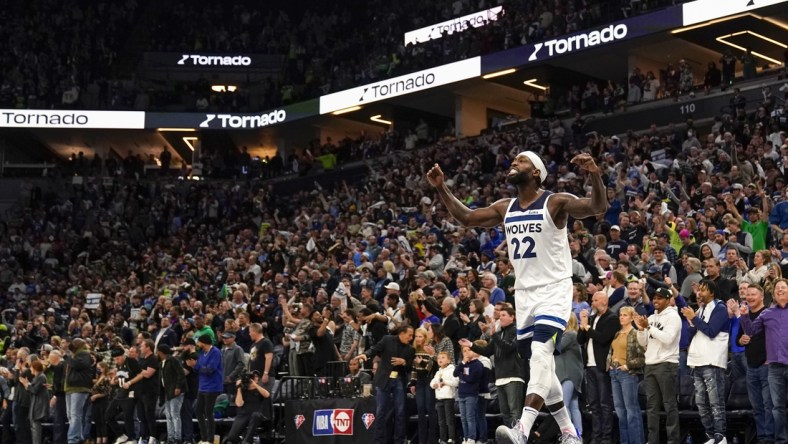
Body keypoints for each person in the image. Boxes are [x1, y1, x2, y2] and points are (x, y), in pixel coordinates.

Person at [428, 151, 607, 444]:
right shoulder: (505, 207)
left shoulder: (555, 201)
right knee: (541, 365)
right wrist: (441, 188)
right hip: (524, 294)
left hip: (553, 289)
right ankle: (568, 432)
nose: (513, 164)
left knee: (540, 354)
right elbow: (467, 217)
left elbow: (596, 206)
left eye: (520, 161)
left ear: (536, 172)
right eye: (512, 161)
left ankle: (521, 429)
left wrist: (595, 174)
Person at [731, 278, 788, 444]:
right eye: (777, 289)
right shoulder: (767, 314)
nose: (780, 290)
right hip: (771, 367)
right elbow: (750, 331)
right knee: (775, 408)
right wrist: (743, 316)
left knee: (773, 407)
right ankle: (777, 440)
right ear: (773, 293)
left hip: (771, 365)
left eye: (783, 288)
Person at [683, 279, 731, 444]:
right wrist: (691, 323)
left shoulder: (720, 308)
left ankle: (721, 435)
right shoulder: (701, 309)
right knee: (701, 403)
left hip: (712, 360)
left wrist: (694, 318)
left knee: (715, 402)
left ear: (712, 292)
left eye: (703, 290)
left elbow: (711, 331)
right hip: (697, 361)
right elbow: (694, 333)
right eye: (699, 290)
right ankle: (710, 435)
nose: (699, 293)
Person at [462, 305, 524, 429]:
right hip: (500, 377)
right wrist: (471, 344)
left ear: (513, 317)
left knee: (514, 412)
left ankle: (519, 438)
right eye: (500, 316)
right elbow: (487, 351)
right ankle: (510, 438)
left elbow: (508, 348)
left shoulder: (516, 331)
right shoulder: (499, 333)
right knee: (505, 412)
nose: (500, 318)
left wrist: (494, 335)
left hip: (513, 377)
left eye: (504, 315)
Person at [634, 287, 681, 444]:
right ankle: (652, 440)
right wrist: (641, 330)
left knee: (669, 405)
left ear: (668, 300)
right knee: (651, 407)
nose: (656, 300)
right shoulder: (652, 317)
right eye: (654, 297)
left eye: (660, 298)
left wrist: (648, 327)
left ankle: (673, 440)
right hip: (650, 363)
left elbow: (668, 339)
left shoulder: (673, 317)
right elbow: (643, 343)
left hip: (667, 363)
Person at [354, 325, 415, 444]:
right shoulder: (387, 339)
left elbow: (409, 368)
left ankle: (399, 441)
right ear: (401, 333)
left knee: (400, 413)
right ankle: (378, 441)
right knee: (380, 411)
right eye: (410, 335)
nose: (411, 338)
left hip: (399, 380)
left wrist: (404, 362)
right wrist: (365, 355)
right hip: (384, 380)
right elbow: (374, 349)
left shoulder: (410, 349)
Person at [732, 284, 773, 444]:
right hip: (751, 365)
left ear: (762, 296)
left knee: (769, 405)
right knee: (757, 407)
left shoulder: (769, 314)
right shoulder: (745, 315)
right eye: (747, 295)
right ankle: (763, 437)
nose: (749, 297)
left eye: (753, 294)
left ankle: (770, 437)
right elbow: (739, 339)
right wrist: (740, 340)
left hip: (767, 366)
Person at [578, 292, 619, 444]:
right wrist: (582, 324)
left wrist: (587, 326)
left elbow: (602, 338)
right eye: (592, 300)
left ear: (605, 301)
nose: (592, 303)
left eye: (595, 300)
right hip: (589, 366)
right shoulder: (592, 318)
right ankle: (596, 437)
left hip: (602, 366)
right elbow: (580, 340)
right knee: (594, 405)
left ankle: (606, 438)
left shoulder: (612, 318)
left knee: (605, 404)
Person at [608, 307, 645, 444]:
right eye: (620, 315)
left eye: (625, 315)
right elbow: (612, 351)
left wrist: (627, 366)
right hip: (614, 373)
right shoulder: (618, 333)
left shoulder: (635, 333)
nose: (621, 317)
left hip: (627, 374)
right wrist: (610, 364)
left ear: (631, 317)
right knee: (620, 411)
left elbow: (642, 357)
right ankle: (625, 441)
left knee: (631, 410)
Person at [123, 339, 159, 444]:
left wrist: (137, 370)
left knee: (149, 415)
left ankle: (153, 437)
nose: (141, 348)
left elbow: (148, 374)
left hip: (150, 392)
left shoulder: (153, 359)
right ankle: (143, 437)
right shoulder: (142, 360)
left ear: (148, 347)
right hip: (140, 392)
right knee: (141, 416)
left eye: (142, 346)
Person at [223, 371, 270, 444]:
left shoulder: (259, 389)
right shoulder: (242, 389)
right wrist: (239, 388)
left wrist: (255, 385)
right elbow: (239, 404)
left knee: (255, 415)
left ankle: (247, 441)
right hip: (242, 415)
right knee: (231, 437)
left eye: (256, 377)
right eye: (252, 377)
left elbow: (267, 395)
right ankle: (243, 441)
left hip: (256, 415)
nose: (254, 379)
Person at [107, 347, 140, 444]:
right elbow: (123, 376)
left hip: (131, 392)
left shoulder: (131, 361)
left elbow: (140, 375)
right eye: (114, 359)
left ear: (123, 356)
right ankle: (121, 435)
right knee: (108, 415)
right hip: (121, 393)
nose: (116, 360)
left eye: (118, 358)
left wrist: (129, 383)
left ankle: (132, 438)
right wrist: (115, 380)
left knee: (128, 416)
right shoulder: (119, 365)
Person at [195, 333, 224, 444]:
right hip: (202, 386)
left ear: (203, 342)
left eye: (198, 342)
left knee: (208, 412)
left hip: (212, 386)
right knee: (198, 411)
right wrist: (196, 366)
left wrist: (196, 366)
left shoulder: (216, 352)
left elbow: (210, 369)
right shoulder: (202, 353)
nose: (197, 344)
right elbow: (200, 368)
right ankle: (204, 438)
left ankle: (210, 440)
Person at [65, 338, 94, 444]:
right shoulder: (75, 355)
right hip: (70, 388)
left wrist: (65, 356)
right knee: (70, 415)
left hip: (79, 387)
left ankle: (73, 439)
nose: (71, 345)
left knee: (75, 415)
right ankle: (79, 436)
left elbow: (76, 365)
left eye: (73, 343)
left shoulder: (85, 354)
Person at [455, 344, 484, 444]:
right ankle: (466, 437)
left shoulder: (478, 364)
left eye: (468, 350)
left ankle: (472, 437)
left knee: (470, 417)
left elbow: (472, 379)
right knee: (463, 418)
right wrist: (462, 363)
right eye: (464, 351)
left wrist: (462, 375)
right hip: (461, 394)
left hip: (471, 394)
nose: (466, 353)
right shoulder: (462, 364)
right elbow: (455, 373)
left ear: (473, 351)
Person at [158, 344, 186, 444]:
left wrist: (178, 387)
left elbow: (181, 374)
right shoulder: (162, 362)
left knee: (175, 414)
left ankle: (177, 438)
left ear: (161, 352)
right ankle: (170, 437)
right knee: (168, 415)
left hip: (175, 391)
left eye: (158, 351)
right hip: (167, 392)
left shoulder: (173, 360)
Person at [431, 351, 459, 444]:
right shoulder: (438, 372)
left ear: (449, 360)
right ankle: (442, 438)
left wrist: (445, 382)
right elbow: (432, 382)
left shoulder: (452, 370)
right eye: (439, 358)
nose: (440, 360)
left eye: (443, 357)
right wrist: (433, 385)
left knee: (449, 420)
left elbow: (456, 382)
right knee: (441, 421)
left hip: (448, 399)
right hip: (439, 399)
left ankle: (452, 438)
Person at [22, 360, 48, 444]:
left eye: (31, 367)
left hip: (39, 404)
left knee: (36, 426)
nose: (30, 369)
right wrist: (27, 385)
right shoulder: (37, 377)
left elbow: (35, 390)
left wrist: (27, 384)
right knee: (33, 426)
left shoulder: (41, 377)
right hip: (35, 403)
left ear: (35, 368)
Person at [88, 362, 114, 444]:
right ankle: (98, 439)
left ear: (104, 368)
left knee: (102, 421)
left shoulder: (106, 378)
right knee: (97, 421)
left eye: (99, 368)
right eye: (97, 368)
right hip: (95, 403)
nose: (98, 369)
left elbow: (107, 392)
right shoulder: (98, 378)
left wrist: (96, 396)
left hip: (103, 402)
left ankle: (104, 439)